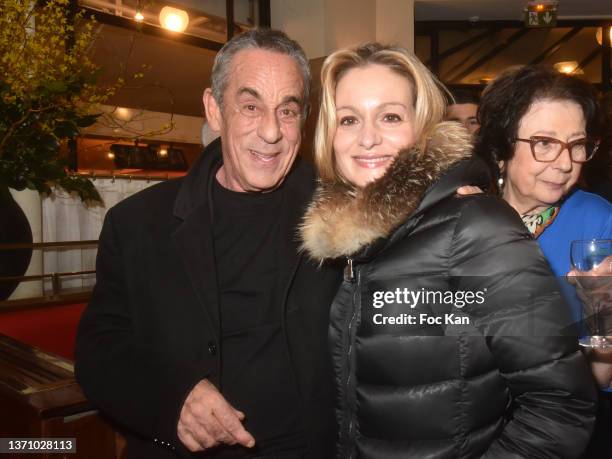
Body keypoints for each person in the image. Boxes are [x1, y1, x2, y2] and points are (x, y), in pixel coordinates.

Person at [300, 43, 597, 458]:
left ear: (422, 127)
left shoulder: (478, 228)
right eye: (348, 119)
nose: (367, 138)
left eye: (390, 116)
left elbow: (561, 406)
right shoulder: (353, 241)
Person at [75, 29, 342, 459]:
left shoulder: (342, 210)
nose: (271, 131)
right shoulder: (138, 223)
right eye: (250, 106)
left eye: (287, 111)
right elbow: (99, 349)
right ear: (214, 110)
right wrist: (172, 398)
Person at [474, 65, 612, 457]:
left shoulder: (597, 222)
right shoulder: (461, 213)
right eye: (544, 142)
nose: (566, 163)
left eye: (577, 144)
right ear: (501, 149)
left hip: (556, 429)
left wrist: (604, 320)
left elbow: (598, 378)